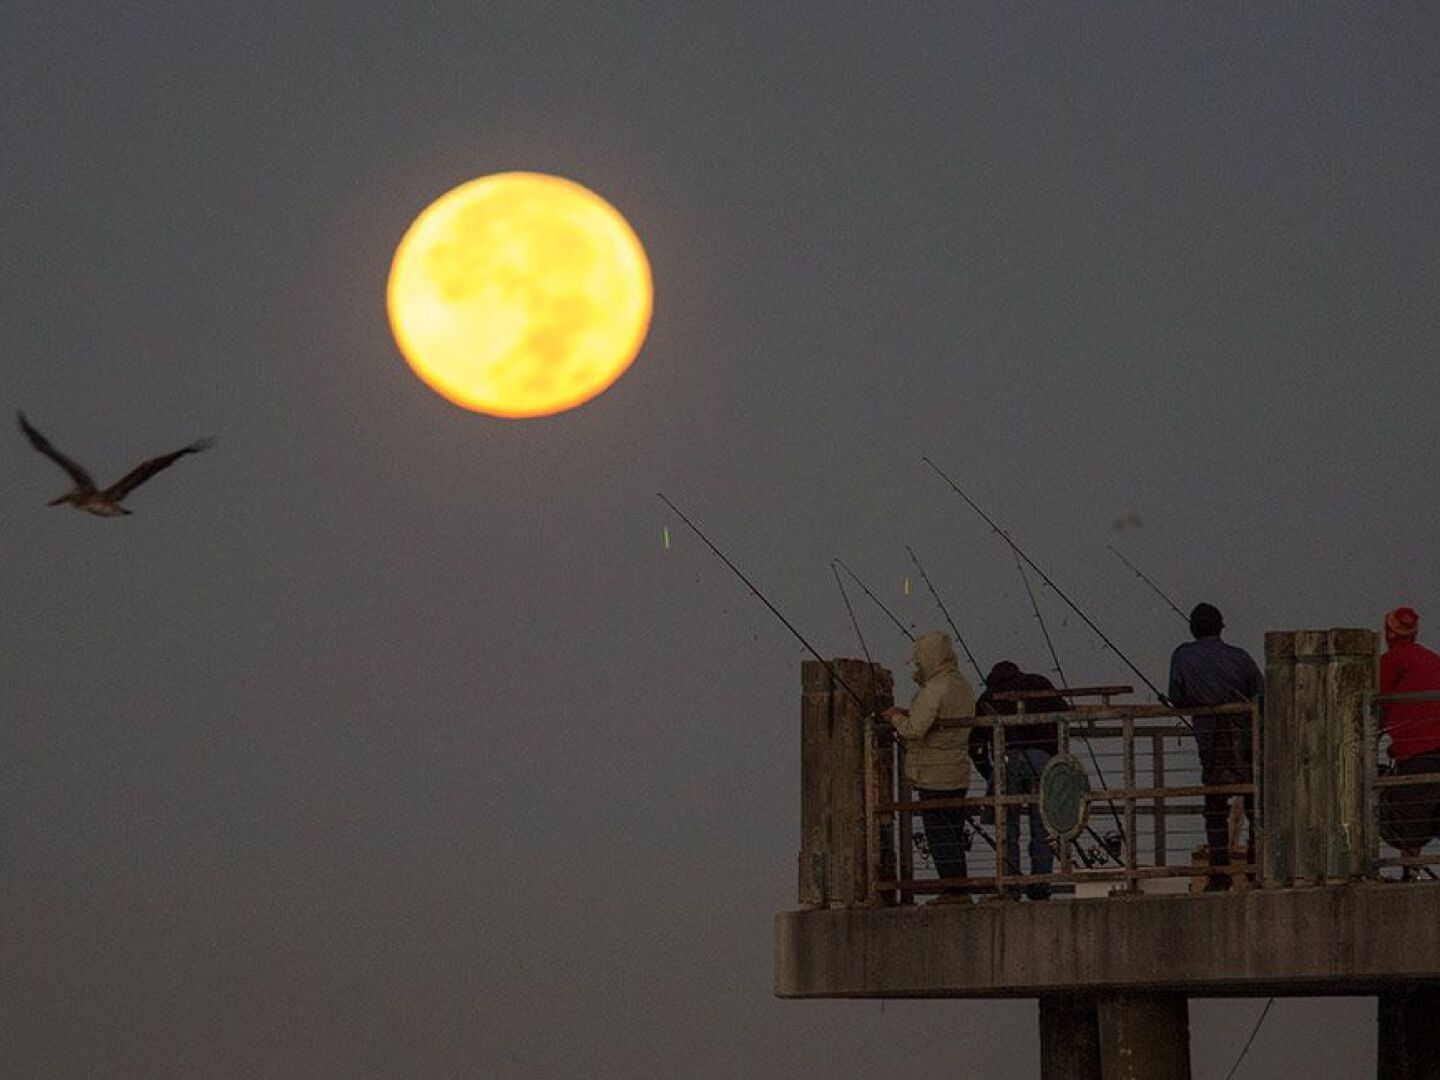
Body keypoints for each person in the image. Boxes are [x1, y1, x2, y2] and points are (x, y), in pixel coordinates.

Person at [1167, 602, 1264, 890]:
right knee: (1254, 802)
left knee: (1214, 805)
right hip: (1246, 741)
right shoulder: (1240, 658)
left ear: (1192, 628)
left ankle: (1220, 871)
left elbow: (1176, 696)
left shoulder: (1183, 656)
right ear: (1221, 627)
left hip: (1210, 745)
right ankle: (1256, 865)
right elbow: (1262, 695)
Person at [883, 631, 975, 902]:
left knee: (939, 836)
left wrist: (896, 718)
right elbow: (940, 719)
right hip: (957, 771)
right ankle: (959, 888)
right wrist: (909, 714)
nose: (917, 665)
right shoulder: (961, 685)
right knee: (954, 833)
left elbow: (915, 729)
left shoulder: (935, 688)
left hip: (934, 774)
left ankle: (953, 890)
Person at [971, 661, 1066, 900]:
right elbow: (1064, 716)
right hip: (1043, 761)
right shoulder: (1040, 684)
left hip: (1007, 761)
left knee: (1007, 825)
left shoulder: (989, 696)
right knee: (1043, 825)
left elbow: (975, 743)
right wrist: (1055, 759)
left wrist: (989, 773)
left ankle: (1010, 884)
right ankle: (1041, 883)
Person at [1377, 606, 1440, 880]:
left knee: (1408, 817)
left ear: (1388, 632)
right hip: (1430, 749)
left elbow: (1378, 707)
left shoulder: (1391, 661)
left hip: (1417, 752)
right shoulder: (1433, 659)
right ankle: (1412, 872)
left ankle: (1409, 873)